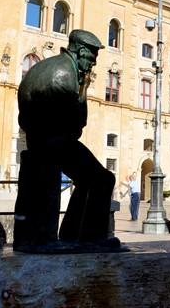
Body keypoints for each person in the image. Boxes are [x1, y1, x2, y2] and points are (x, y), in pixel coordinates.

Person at [13, 29, 120, 252]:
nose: (93, 64)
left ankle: (76, 236)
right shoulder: (63, 74)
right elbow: (77, 122)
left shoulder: (57, 67)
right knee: (101, 180)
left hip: (44, 137)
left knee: (95, 179)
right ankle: (83, 238)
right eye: (92, 58)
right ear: (80, 51)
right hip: (51, 140)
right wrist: (84, 89)